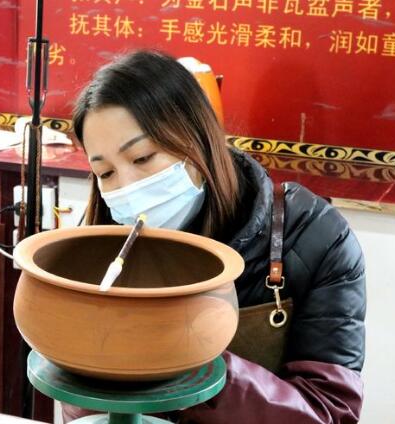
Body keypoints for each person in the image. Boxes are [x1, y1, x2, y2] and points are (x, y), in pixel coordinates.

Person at [62, 50, 366, 423]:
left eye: (142, 158)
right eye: (106, 173)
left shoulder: (312, 237)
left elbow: (331, 412)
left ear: (199, 139)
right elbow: (80, 403)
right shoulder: (100, 244)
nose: (127, 187)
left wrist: (193, 365)